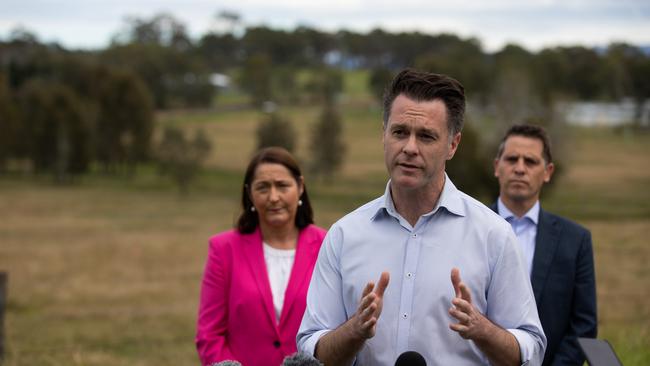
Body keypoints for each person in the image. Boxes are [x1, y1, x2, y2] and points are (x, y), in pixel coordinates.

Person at [297, 69, 546, 365]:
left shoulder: (493, 235)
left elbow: (530, 350)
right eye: (400, 132)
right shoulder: (344, 235)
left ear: (452, 145)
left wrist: (482, 330)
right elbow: (310, 351)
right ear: (384, 135)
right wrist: (354, 330)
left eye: (426, 136)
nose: (410, 148)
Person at [196, 147, 327, 366]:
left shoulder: (327, 245)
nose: (273, 197)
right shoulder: (223, 250)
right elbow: (209, 336)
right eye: (263, 187)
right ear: (249, 193)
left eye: (282, 185)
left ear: (300, 187)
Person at [492, 124, 597, 365]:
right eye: (511, 159)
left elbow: (583, 326)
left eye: (530, 161)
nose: (520, 168)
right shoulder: (470, 228)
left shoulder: (576, 240)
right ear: (497, 166)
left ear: (548, 171)